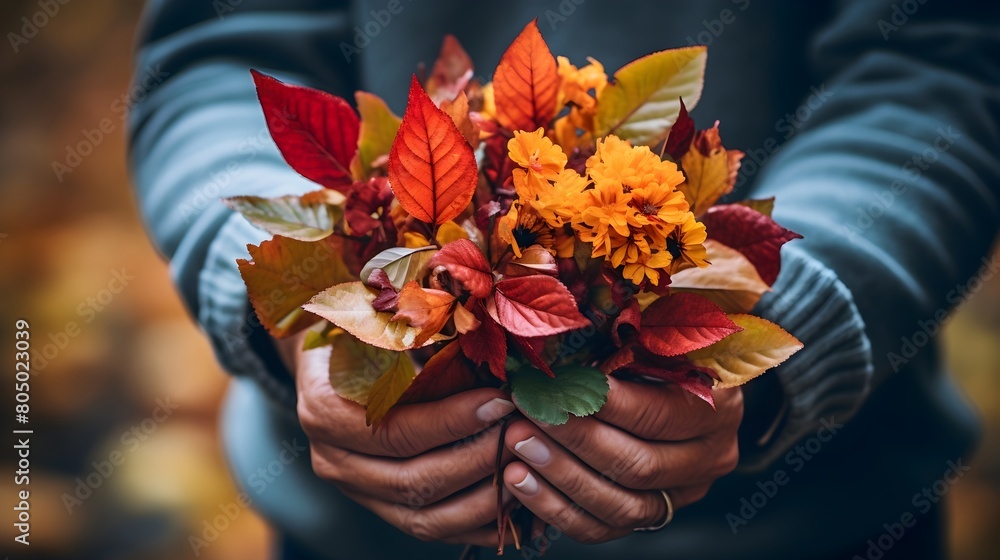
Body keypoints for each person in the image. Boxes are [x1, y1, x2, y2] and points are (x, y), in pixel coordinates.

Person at [128, 1, 1000, 558]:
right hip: (354, 536)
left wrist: (787, 335)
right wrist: (298, 322)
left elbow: (943, 64)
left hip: (820, 526)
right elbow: (215, 47)